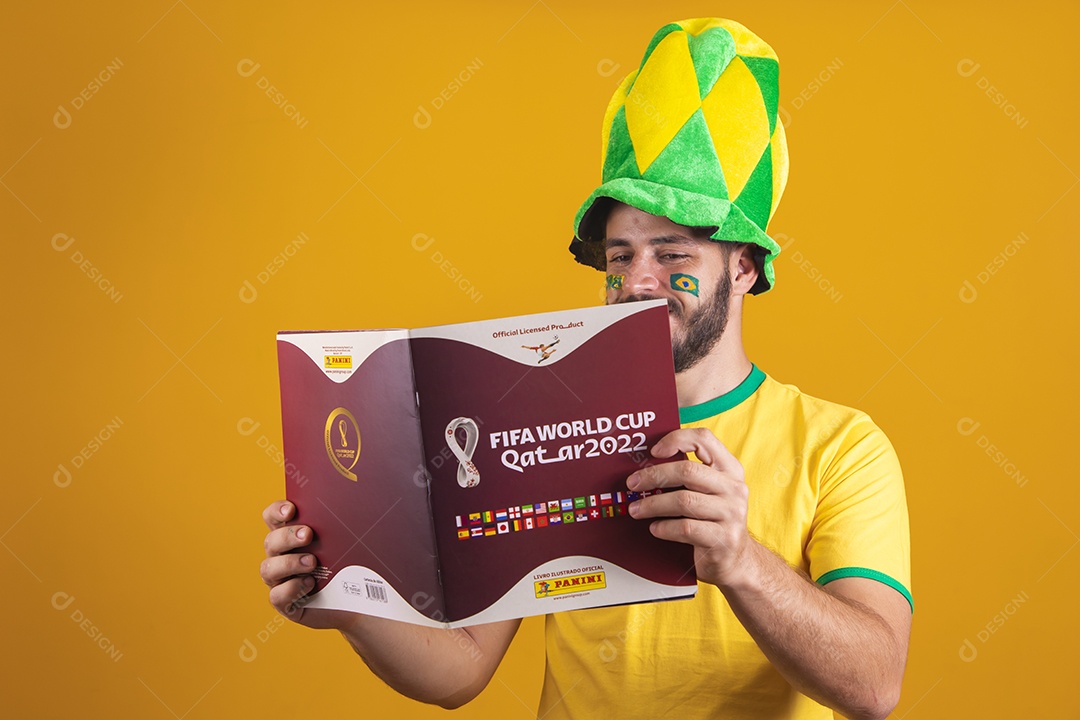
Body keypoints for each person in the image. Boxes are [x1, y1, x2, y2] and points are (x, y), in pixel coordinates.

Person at [260, 17, 910, 720]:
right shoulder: (548, 425)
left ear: (744, 267)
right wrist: (351, 602)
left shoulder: (843, 449)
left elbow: (873, 686)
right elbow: (460, 670)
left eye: (672, 254)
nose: (636, 282)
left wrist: (739, 560)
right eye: (620, 257)